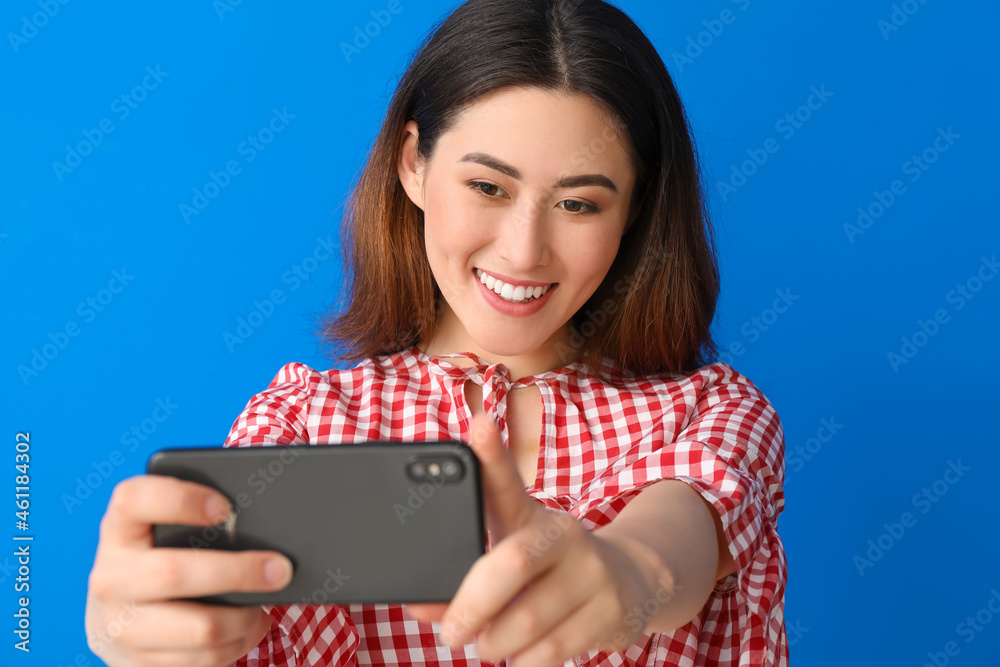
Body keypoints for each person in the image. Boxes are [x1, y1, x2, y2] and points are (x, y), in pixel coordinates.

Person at [84, 0, 788, 665]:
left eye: (578, 203)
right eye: (487, 187)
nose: (523, 251)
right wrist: (143, 635)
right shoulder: (302, 427)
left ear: (632, 211)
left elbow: (675, 543)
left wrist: (627, 574)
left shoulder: (715, 413)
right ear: (413, 163)